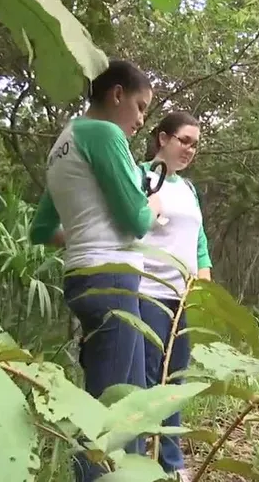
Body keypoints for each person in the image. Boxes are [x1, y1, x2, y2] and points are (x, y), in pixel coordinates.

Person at [28, 59, 159, 481]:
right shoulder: (104, 133)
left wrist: (85, 235)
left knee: (126, 398)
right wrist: (153, 207)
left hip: (83, 275)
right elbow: (135, 220)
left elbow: (42, 229)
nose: (140, 120)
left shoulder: (62, 144)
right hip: (113, 278)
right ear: (116, 94)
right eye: (140, 107)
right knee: (112, 411)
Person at [137, 111, 212, 481]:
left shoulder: (188, 188)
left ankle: (172, 461)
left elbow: (199, 241)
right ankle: (143, 459)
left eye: (195, 145)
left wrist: (204, 281)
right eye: (184, 141)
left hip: (183, 297)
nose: (190, 150)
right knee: (150, 376)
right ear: (162, 138)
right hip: (147, 291)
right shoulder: (139, 176)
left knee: (176, 377)